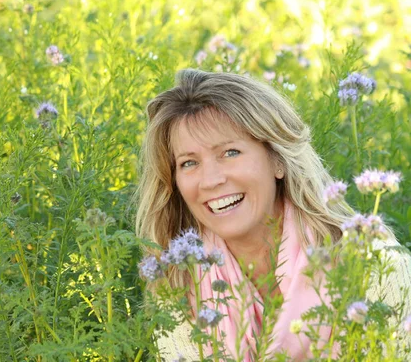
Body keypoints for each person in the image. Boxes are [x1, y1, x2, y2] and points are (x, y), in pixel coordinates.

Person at [135, 69, 411, 361]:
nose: (210, 180)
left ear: (277, 160)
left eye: (230, 152)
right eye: (189, 162)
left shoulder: (376, 270)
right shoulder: (178, 293)